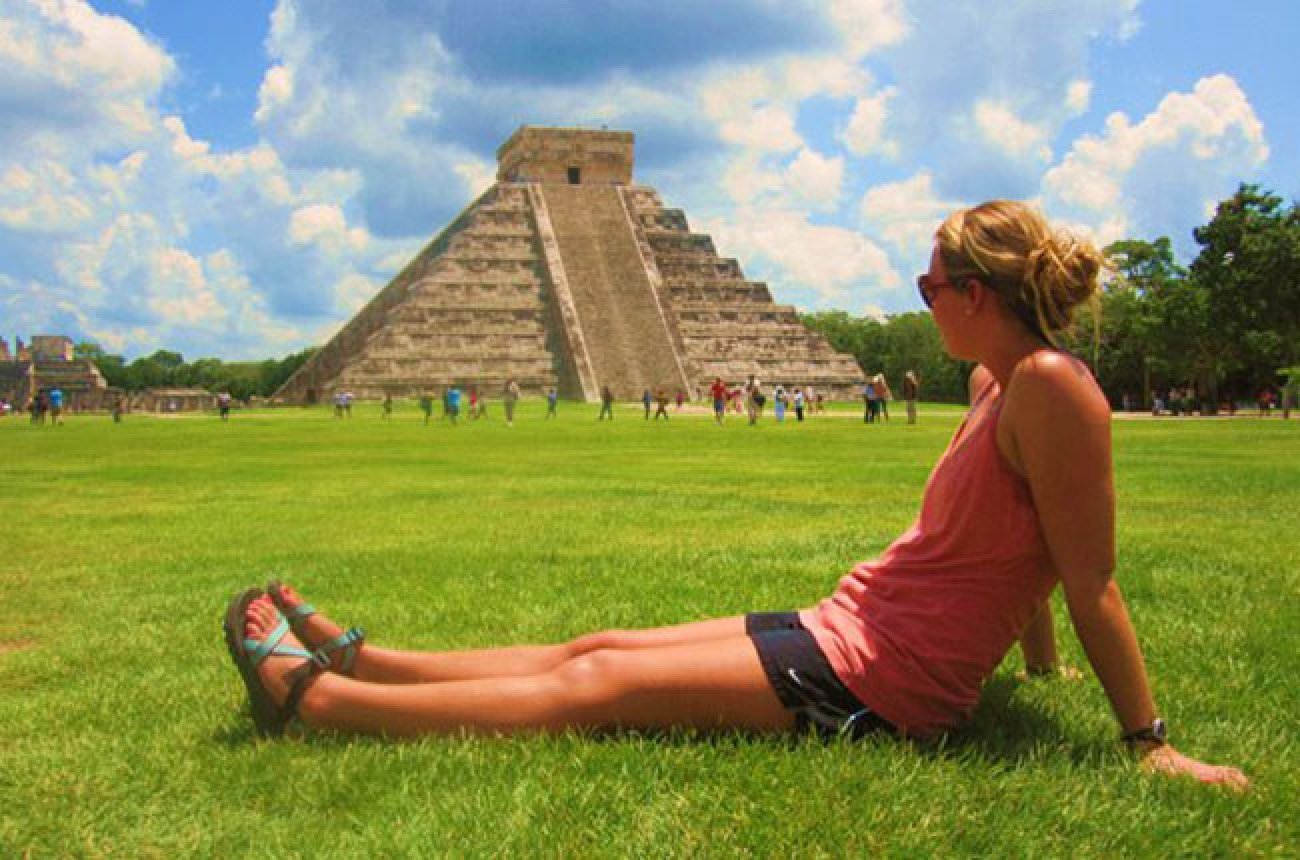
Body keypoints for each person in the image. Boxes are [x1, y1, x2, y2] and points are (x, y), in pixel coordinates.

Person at [223, 200, 1248, 792]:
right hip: (848, 624)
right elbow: (1019, 546)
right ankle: (372, 660)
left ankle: (322, 704)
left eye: (930, 287)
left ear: (978, 295)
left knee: (607, 693)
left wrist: (1146, 741)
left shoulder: (1057, 390)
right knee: (601, 646)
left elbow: (1088, 574)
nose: (920, 301)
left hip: (878, 682)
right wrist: (1037, 668)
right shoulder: (995, 383)